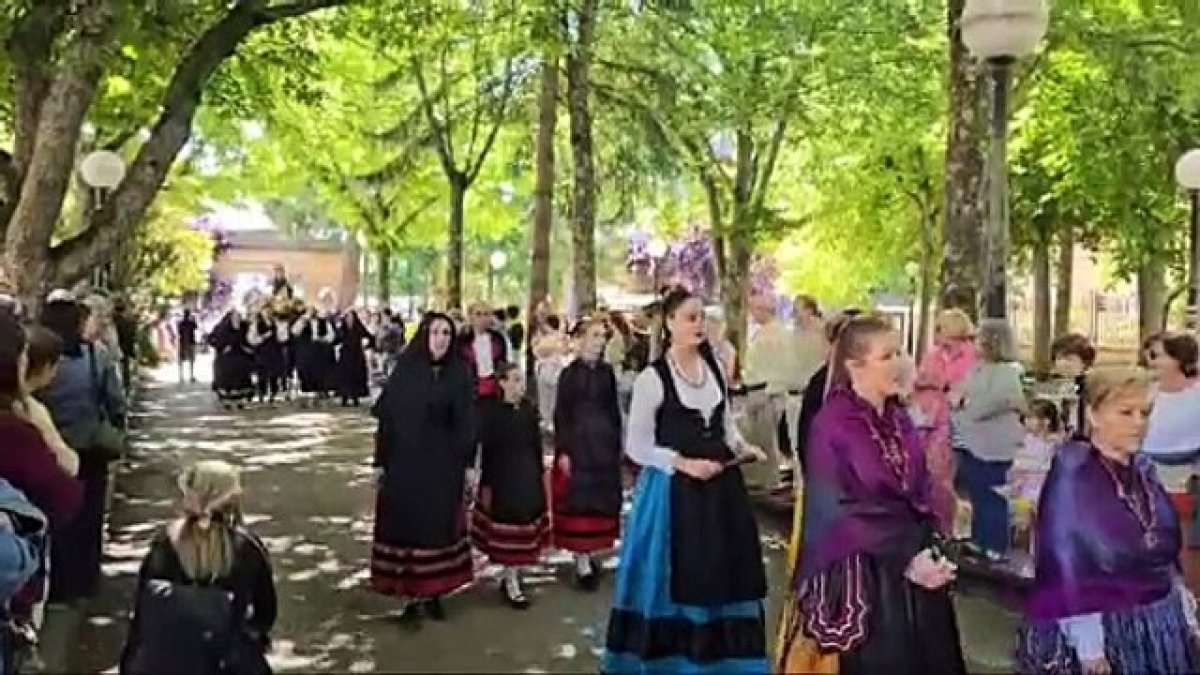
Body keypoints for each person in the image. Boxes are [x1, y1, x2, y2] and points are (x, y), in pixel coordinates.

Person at [777, 315, 965, 675]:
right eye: (887, 355)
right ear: (854, 366)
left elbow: (919, 483)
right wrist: (906, 556)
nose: (899, 363)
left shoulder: (898, 418)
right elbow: (837, 507)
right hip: (862, 567)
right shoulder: (832, 423)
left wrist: (931, 545)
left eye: (899, 352)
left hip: (914, 565)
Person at [602, 287, 769, 673]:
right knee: (672, 575)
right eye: (691, 317)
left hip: (720, 493)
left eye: (702, 317)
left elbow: (725, 425)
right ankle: (670, 663)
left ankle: (722, 663)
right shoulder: (652, 378)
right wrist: (682, 463)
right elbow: (637, 446)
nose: (700, 325)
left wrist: (743, 448)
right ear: (670, 324)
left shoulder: (713, 368)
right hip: (671, 495)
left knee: (723, 568)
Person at [1018, 368, 1200, 674]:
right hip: (1104, 627)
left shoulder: (1142, 471)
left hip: (1158, 622)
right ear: (1093, 415)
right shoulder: (1074, 474)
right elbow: (1065, 562)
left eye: (1145, 412)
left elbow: (1162, 548)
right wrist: (1089, 645)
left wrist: (1184, 611)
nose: (1138, 423)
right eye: (1126, 412)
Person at [120, 461, 276, 675]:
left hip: (166, 660)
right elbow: (266, 612)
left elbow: (143, 606)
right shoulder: (247, 548)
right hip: (226, 662)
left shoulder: (165, 542)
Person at [370, 313, 476, 623]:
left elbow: (467, 422)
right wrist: (379, 462)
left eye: (447, 333)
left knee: (437, 526)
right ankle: (411, 596)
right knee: (407, 527)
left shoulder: (459, 373)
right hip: (405, 463)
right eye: (435, 332)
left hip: (443, 465)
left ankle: (434, 593)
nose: (441, 338)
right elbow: (387, 421)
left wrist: (468, 464)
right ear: (425, 335)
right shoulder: (406, 370)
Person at [39, 298, 124, 603]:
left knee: (55, 517)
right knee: (88, 517)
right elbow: (115, 399)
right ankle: (84, 583)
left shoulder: (37, 356)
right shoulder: (94, 355)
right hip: (89, 449)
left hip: (47, 450)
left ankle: (56, 586)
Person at [552, 316, 623, 589]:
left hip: (603, 443)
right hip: (579, 443)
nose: (599, 342)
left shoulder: (607, 373)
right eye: (594, 336)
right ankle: (581, 561)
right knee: (580, 499)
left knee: (599, 498)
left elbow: (613, 409)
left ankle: (592, 552)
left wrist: (617, 442)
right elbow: (561, 414)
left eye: (602, 337)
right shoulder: (569, 375)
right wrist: (564, 450)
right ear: (581, 339)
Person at [471, 362, 549, 609]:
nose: (519, 386)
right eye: (513, 380)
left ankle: (513, 575)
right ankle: (510, 579)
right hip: (504, 478)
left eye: (521, 380)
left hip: (526, 474)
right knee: (507, 525)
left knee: (524, 525)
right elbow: (487, 450)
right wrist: (485, 481)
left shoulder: (528, 409)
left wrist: (538, 472)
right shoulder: (492, 413)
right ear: (502, 383)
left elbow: (535, 444)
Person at [953, 319, 1026, 561]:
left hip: (995, 446)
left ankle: (995, 544)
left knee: (994, 495)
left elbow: (991, 403)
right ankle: (980, 540)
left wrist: (966, 407)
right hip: (975, 442)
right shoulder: (979, 369)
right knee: (978, 494)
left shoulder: (1008, 373)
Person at [1139, 332, 1200, 587]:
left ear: (1178, 359)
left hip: (1187, 477)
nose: (1151, 362)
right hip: (1147, 474)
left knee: (1186, 546)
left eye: (1157, 355)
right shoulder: (1147, 395)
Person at [911, 308, 978, 534]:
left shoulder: (971, 355)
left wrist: (938, 382)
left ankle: (944, 527)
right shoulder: (933, 354)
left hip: (951, 420)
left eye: (940, 328)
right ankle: (929, 523)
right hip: (925, 417)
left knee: (941, 474)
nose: (936, 334)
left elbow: (964, 388)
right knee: (924, 471)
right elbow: (920, 378)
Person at [740, 291, 791, 491]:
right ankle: (764, 478)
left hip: (767, 392)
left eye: (755, 309)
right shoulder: (767, 333)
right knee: (761, 438)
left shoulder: (775, 335)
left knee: (765, 440)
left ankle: (766, 481)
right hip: (763, 391)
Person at [462, 302, 510, 401]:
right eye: (478, 314)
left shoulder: (498, 339)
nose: (482, 318)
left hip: (495, 388)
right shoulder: (462, 340)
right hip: (471, 389)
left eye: (486, 314)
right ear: (471, 317)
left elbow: (503, 363)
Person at [291, 306, 337, 407]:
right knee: (306, 373)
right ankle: (308, 396)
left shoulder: (324, 322)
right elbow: (295, 331)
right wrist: (304, 319)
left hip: (320, 352)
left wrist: (323, 339)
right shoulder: (302, 321)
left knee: (321, 374)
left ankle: (320, 395)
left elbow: (331, 336)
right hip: (306, 352)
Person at [208, 310, 255, 409]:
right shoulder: (222, 328)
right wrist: (221, 348)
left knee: (241, 380)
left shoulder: (244, 327)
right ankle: (227, 401)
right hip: (226, 359)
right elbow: (211, 339)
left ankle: (240, 401)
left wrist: (248, 349)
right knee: (226, 381)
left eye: (238, 317)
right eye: (235, 317)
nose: (237, 319)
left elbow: (250, 339)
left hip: (241, 357)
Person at [247, 306, 288, 406]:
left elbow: (282, 337)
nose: (267, 313)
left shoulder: (275, 323)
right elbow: (251, 339)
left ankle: (272, 395)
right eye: (265, 311)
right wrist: (263, 337)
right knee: (262, 374)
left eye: (269, 311)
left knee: (274, 374)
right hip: (262, 351)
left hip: (274, 351)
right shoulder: (256, 324)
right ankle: (262, 394)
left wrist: (281, 333)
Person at [335, 309, 372, 407]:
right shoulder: (342, 328)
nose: (349, 319)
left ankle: (355, 398)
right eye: (347, 317)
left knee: (356, 376)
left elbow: (370, 337)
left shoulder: (359, 327)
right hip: (345, 355)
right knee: (344, 377)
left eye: (351, 317)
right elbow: (336, 339)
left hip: (357, 356)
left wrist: (366, 345)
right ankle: (344, 398)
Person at [177, 309, 199, 384]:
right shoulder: (191, 323)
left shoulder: (180, 323)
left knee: (181, 360)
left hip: (183, 342)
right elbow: (196, 327)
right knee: (191, 360)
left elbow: (179, 331)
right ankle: (191, 376)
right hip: (190, 342)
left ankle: (181, 376)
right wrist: (194, 319)